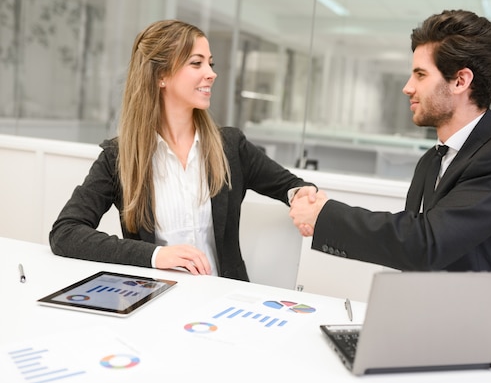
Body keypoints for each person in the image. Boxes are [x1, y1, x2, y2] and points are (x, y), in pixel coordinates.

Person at [289, 9, 491, 332]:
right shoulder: (433, 159)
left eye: (420, 75)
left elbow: (427, 243)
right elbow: (415, 252)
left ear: (460, 80)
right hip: (434, 332)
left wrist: (325, 216)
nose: (408, 87)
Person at [49, 19, 316, 280]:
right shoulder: (119, 157)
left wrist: (302, 196)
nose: (211, 73)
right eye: (196, 63)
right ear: (161, 75)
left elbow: (290, 186)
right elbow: (65, 232)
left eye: (210, 63)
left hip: (222, 298)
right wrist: (155, 256)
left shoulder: (230, 147)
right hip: (155, 299)